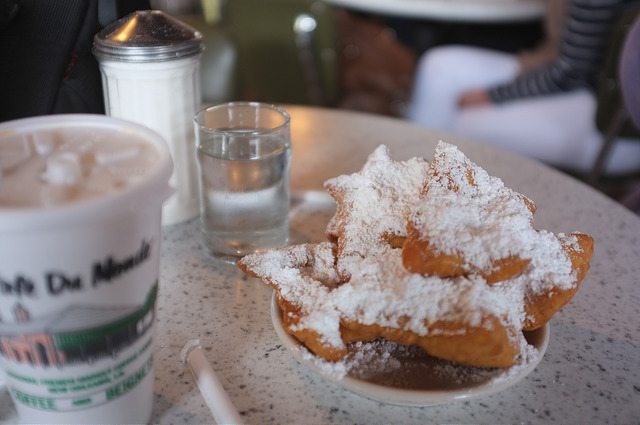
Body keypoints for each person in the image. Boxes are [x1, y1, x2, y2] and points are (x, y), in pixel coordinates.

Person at [406, 0, 640, 175]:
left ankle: (428, 188)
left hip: (608, 119)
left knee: (458, 121)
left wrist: (493, 96)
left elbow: (572, 72)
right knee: (438, 65)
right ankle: (411, 171)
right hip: (555, 65)